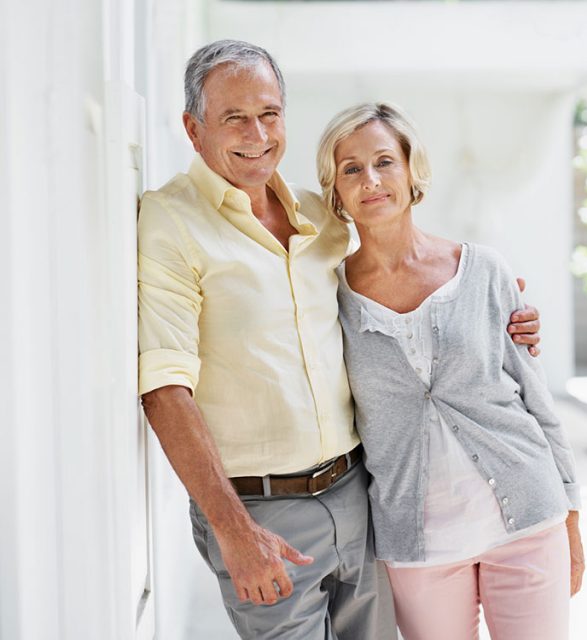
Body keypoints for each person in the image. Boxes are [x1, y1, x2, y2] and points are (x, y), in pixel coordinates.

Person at [137, 40, 541, 639]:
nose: (258, 133)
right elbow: (166, 388)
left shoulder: (319, 217)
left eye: (270, 113)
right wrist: (233, 529)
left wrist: (494, 304)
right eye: (233, 118)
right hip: (261, 512)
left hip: (360, 496)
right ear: (194, 130)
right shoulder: (171, 221)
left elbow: (400, 259)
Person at [318, 102, 585, 640]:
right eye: (351, 168)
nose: (370, 180)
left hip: (528, 520)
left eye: (384, 161)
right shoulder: (327, 295)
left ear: (412, 169)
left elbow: (536, 400)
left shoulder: (483, 270)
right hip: (419, 544)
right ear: (336, 190)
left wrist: (572, 516)